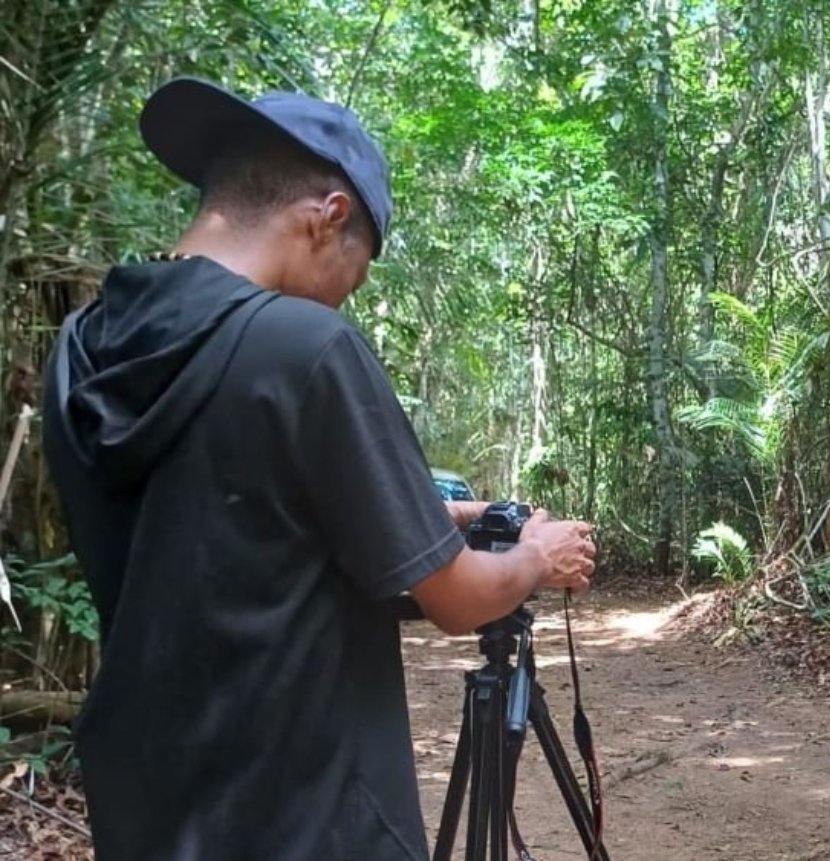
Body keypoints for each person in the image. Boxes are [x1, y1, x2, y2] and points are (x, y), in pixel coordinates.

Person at [42, 77, 596, 861]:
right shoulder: (306, 348)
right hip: (311, 816)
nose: (343, 301)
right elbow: (459, 598)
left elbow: (212, 537)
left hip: (148, 814)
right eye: (355, 275)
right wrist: (536, 556)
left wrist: (418, 518)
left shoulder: (81, 349)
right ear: (329, 216)